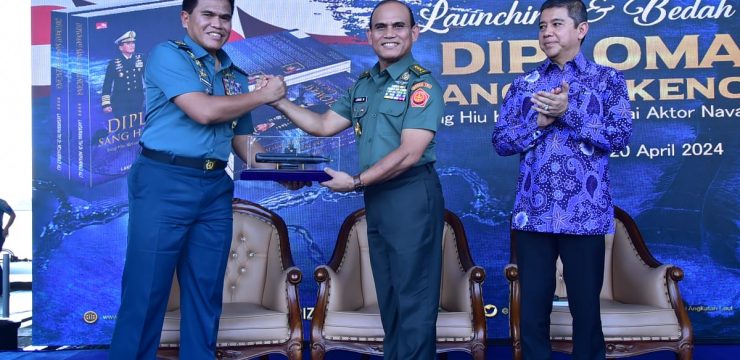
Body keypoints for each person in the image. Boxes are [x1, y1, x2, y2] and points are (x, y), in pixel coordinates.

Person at [108, 0, 286, 358]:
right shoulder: (167, 55)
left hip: (215, 187)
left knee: (205, 293)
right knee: (146, 292)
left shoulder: (234, 76)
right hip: (164, 180)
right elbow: (202, 111)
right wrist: (263, 96)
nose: (217, 24)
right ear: (186, 18)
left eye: (225, 16)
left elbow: (245, 145)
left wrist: (286, 174)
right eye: (208, 14)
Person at [268, 1, 445, 358]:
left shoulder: (421, 85)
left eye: (398, 26)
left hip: (411, 197)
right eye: (381, 27)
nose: (389, 33)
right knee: (392, 301)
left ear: (414, 33)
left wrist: (356, 181)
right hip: (378, 199)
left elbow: (411, 152)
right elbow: (322, 125)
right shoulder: (364, 85)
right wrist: (278, 101)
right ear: (369, 36)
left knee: (414, 301)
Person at [492, 1, 632, 359]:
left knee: (586, 314)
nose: (547, 33)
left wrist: (569, 113)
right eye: (542, 26)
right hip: (533, 216)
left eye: (556, 24)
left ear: (581, 30)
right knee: (532, 314)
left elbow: (618, 137)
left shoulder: (607, 80)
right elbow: (501, 142)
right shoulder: (524, 85)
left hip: (585, 215)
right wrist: (537, 125)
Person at [101, 30, 145, 121]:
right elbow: (107, 85)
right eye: (128, 43)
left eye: (133, 43)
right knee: (122, 130)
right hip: (120, 103)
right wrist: (106, 104)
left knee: (137, 128)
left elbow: (148, 78)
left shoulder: (140, 59)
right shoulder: (114, 63)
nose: (132, 45)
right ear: (121, 47)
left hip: (138, 101)